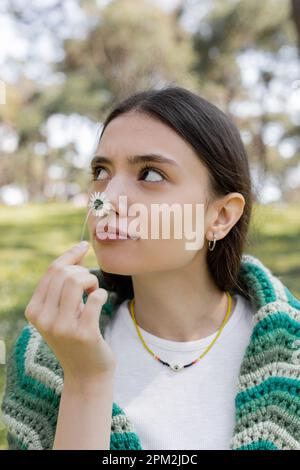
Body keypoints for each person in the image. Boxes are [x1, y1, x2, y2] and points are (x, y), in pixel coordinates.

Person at [1, 86, 300, 450]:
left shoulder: (293, 352)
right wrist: (83, 380)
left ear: (221, 216)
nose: (106, 200)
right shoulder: (43, 355)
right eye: (101, 171)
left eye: (151, 175)